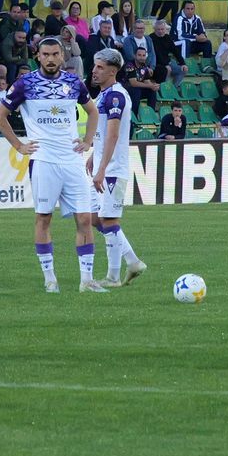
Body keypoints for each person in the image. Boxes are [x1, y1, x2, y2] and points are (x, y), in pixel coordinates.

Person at [0, 38, 104, 294]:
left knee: (85, 218)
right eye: (46, 54)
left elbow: (93, 111)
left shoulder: (73, 82)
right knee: (44, 218)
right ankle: (49, 278)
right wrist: (19, 146)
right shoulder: (25, 84)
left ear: (62, 56)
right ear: (38, 56)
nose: (51, 58)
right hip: (43, 160)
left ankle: (86, 280)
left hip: (71, 159)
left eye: (55, 54)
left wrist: (87, 140)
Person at [87, 48, 147, 288]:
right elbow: (104, 134)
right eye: (94, 66)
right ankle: (132, 261)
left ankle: (113, 276)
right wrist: (94, 154)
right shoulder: (104, 95)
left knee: (109, 221)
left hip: (113, 169)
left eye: (100, 67)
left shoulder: (116, 97)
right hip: (104, 164)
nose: (94, 71)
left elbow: (113, 135)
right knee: (94, 218)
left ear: (113, 71)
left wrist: (101, 169)